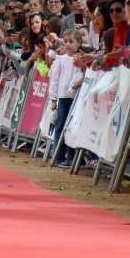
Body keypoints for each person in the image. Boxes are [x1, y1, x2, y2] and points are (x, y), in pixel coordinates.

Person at [47, 29, 84, 167]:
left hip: (77, 98)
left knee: (73, 127)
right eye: (66, 41)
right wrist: (53, 98)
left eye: (71, 41)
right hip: (63, 98)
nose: (68, 44)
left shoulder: (81, 59)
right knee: (60, 126)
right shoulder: (60, 59)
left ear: (79, 43)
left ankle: (72, 156)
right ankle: (59, 155)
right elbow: (54, 79)